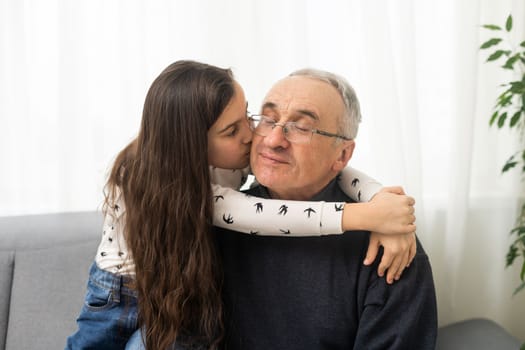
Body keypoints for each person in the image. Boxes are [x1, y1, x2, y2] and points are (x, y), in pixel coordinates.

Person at [66, 61, 417, 350]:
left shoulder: (388, 260)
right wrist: (371, 214)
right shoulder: (202, 201)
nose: (263, 137)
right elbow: (266, 217)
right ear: (194, 144)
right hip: (118, 296)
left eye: (299, 127)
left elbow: (340, 173)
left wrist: (386, 206)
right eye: (263, 120)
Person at [215, 68, 437, 349]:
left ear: (342, 154)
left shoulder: (390, 251)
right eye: (268, 119)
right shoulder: (212, 225)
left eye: (302, 127)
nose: (273, 140)